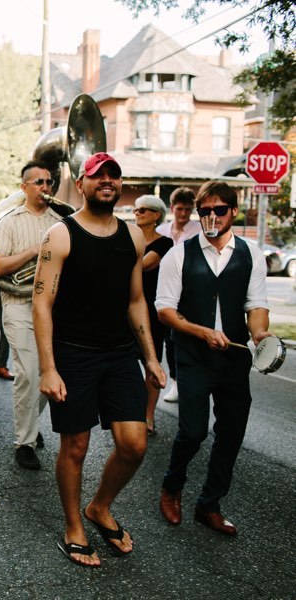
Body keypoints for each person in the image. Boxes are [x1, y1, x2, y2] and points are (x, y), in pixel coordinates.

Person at [32, 152, 164, 568]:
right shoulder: (61, 234)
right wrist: (49, 367)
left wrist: (151, 359)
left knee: (135, 444)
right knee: (75, 446)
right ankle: (74, 526)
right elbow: (41, 303)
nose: (107, 181)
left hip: (119, 355)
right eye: (98, 176)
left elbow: (137, 300)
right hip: (73, 355)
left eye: (114, 176)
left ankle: (99, 507)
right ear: (83, 184)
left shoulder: (133, 237)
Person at [155, 181, 269, 536]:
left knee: (231, 433)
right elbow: (165, 310)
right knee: (192, 431)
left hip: (233, 359)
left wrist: (261, 335)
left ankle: (209, 504)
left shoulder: (252, 255)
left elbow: (256, 306)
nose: (211, 217)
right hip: (192, 355)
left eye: (219, 210)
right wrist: (203, 332)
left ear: (234, 212)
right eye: (205, 211)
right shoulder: (179, 254)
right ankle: (172, 487)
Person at [0, 160, 64, 469]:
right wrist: (33, 251)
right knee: (28, 372)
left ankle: (29, 426)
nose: (46, 187)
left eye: (49, 182)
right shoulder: (8, 222)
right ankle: (24, 443)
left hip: (53, 307)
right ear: (24, 187)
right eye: (39, 183)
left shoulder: (60, 222)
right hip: (18, 303)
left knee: (52, 372)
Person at [132, 195, 173, 436]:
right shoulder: (130, 238)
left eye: (143, 210)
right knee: (125, 361)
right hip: (127, 306)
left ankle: (148, 416)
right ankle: (129, 414)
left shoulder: (165, 243)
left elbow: (146, 264)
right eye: (136, 210)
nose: (137, 214)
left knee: (151, 362)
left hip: (151, 309)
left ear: (156, 215)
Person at [155, 187, 200, 403]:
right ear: (172, 208)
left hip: (189, 291)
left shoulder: (198, 231)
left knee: (184, 337)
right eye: (180, 209)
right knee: (168, 340)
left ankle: (187, 381)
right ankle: (175, 381)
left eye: (188, 209)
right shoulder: (162, 230)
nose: (183, 214)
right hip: (165, 290)